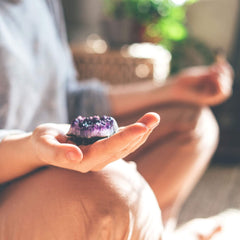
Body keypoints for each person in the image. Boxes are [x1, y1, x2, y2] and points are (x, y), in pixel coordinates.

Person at [0, 0, 233, 239]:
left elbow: (67, 97)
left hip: (53, 153)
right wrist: (33, 149)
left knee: (194, 123)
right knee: (115, 193)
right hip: (9, 175)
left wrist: (172, 89)